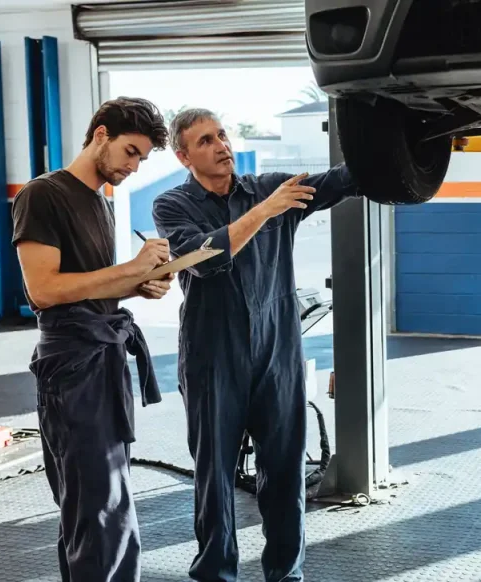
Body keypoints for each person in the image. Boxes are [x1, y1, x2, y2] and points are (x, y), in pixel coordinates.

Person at [151, 108, 360, 582]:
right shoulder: (172, 206)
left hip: (276, 356)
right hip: (212, 357)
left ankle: (286, 575)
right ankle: (216, 575)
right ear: (184, 156)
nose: (221, 145)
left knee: (285, 475)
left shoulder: (270, 185)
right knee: (215, 480)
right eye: (205, 141)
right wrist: (266, 210)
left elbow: (341, 181)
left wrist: (403, 152)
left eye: (222, 135)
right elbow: (203, 258)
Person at [11, 96, 175, 581]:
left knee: (111, 503)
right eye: (130, 151)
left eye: (142, 158)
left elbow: (96, 283)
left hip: (105, 360)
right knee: (94, 507)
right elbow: (43, 291)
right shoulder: (43, 195)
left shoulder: (101, 203)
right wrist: (128, 270)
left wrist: (141, 285)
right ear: (100, 134)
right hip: (71, 365)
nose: (134, 165)